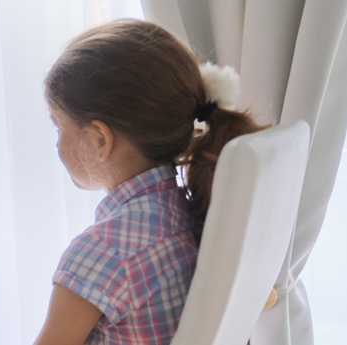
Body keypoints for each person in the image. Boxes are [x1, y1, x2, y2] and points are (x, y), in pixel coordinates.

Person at [34, 20, 266, 345]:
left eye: (59, 128)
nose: (57, 144)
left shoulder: (100, 255)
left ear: (100, 139)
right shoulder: (195, 214)